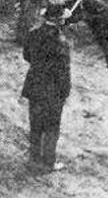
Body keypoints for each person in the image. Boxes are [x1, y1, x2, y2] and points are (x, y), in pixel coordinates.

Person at [21, 14, 71, 172]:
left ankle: (34, 159)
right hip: (53, 90)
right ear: (60, 20)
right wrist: (65, 92)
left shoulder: (33, 33)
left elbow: (26, 56)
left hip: (34, 85)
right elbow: (64, 71)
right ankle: (49, 162)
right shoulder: (61, 42)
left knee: (35, 123)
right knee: (52, 127)